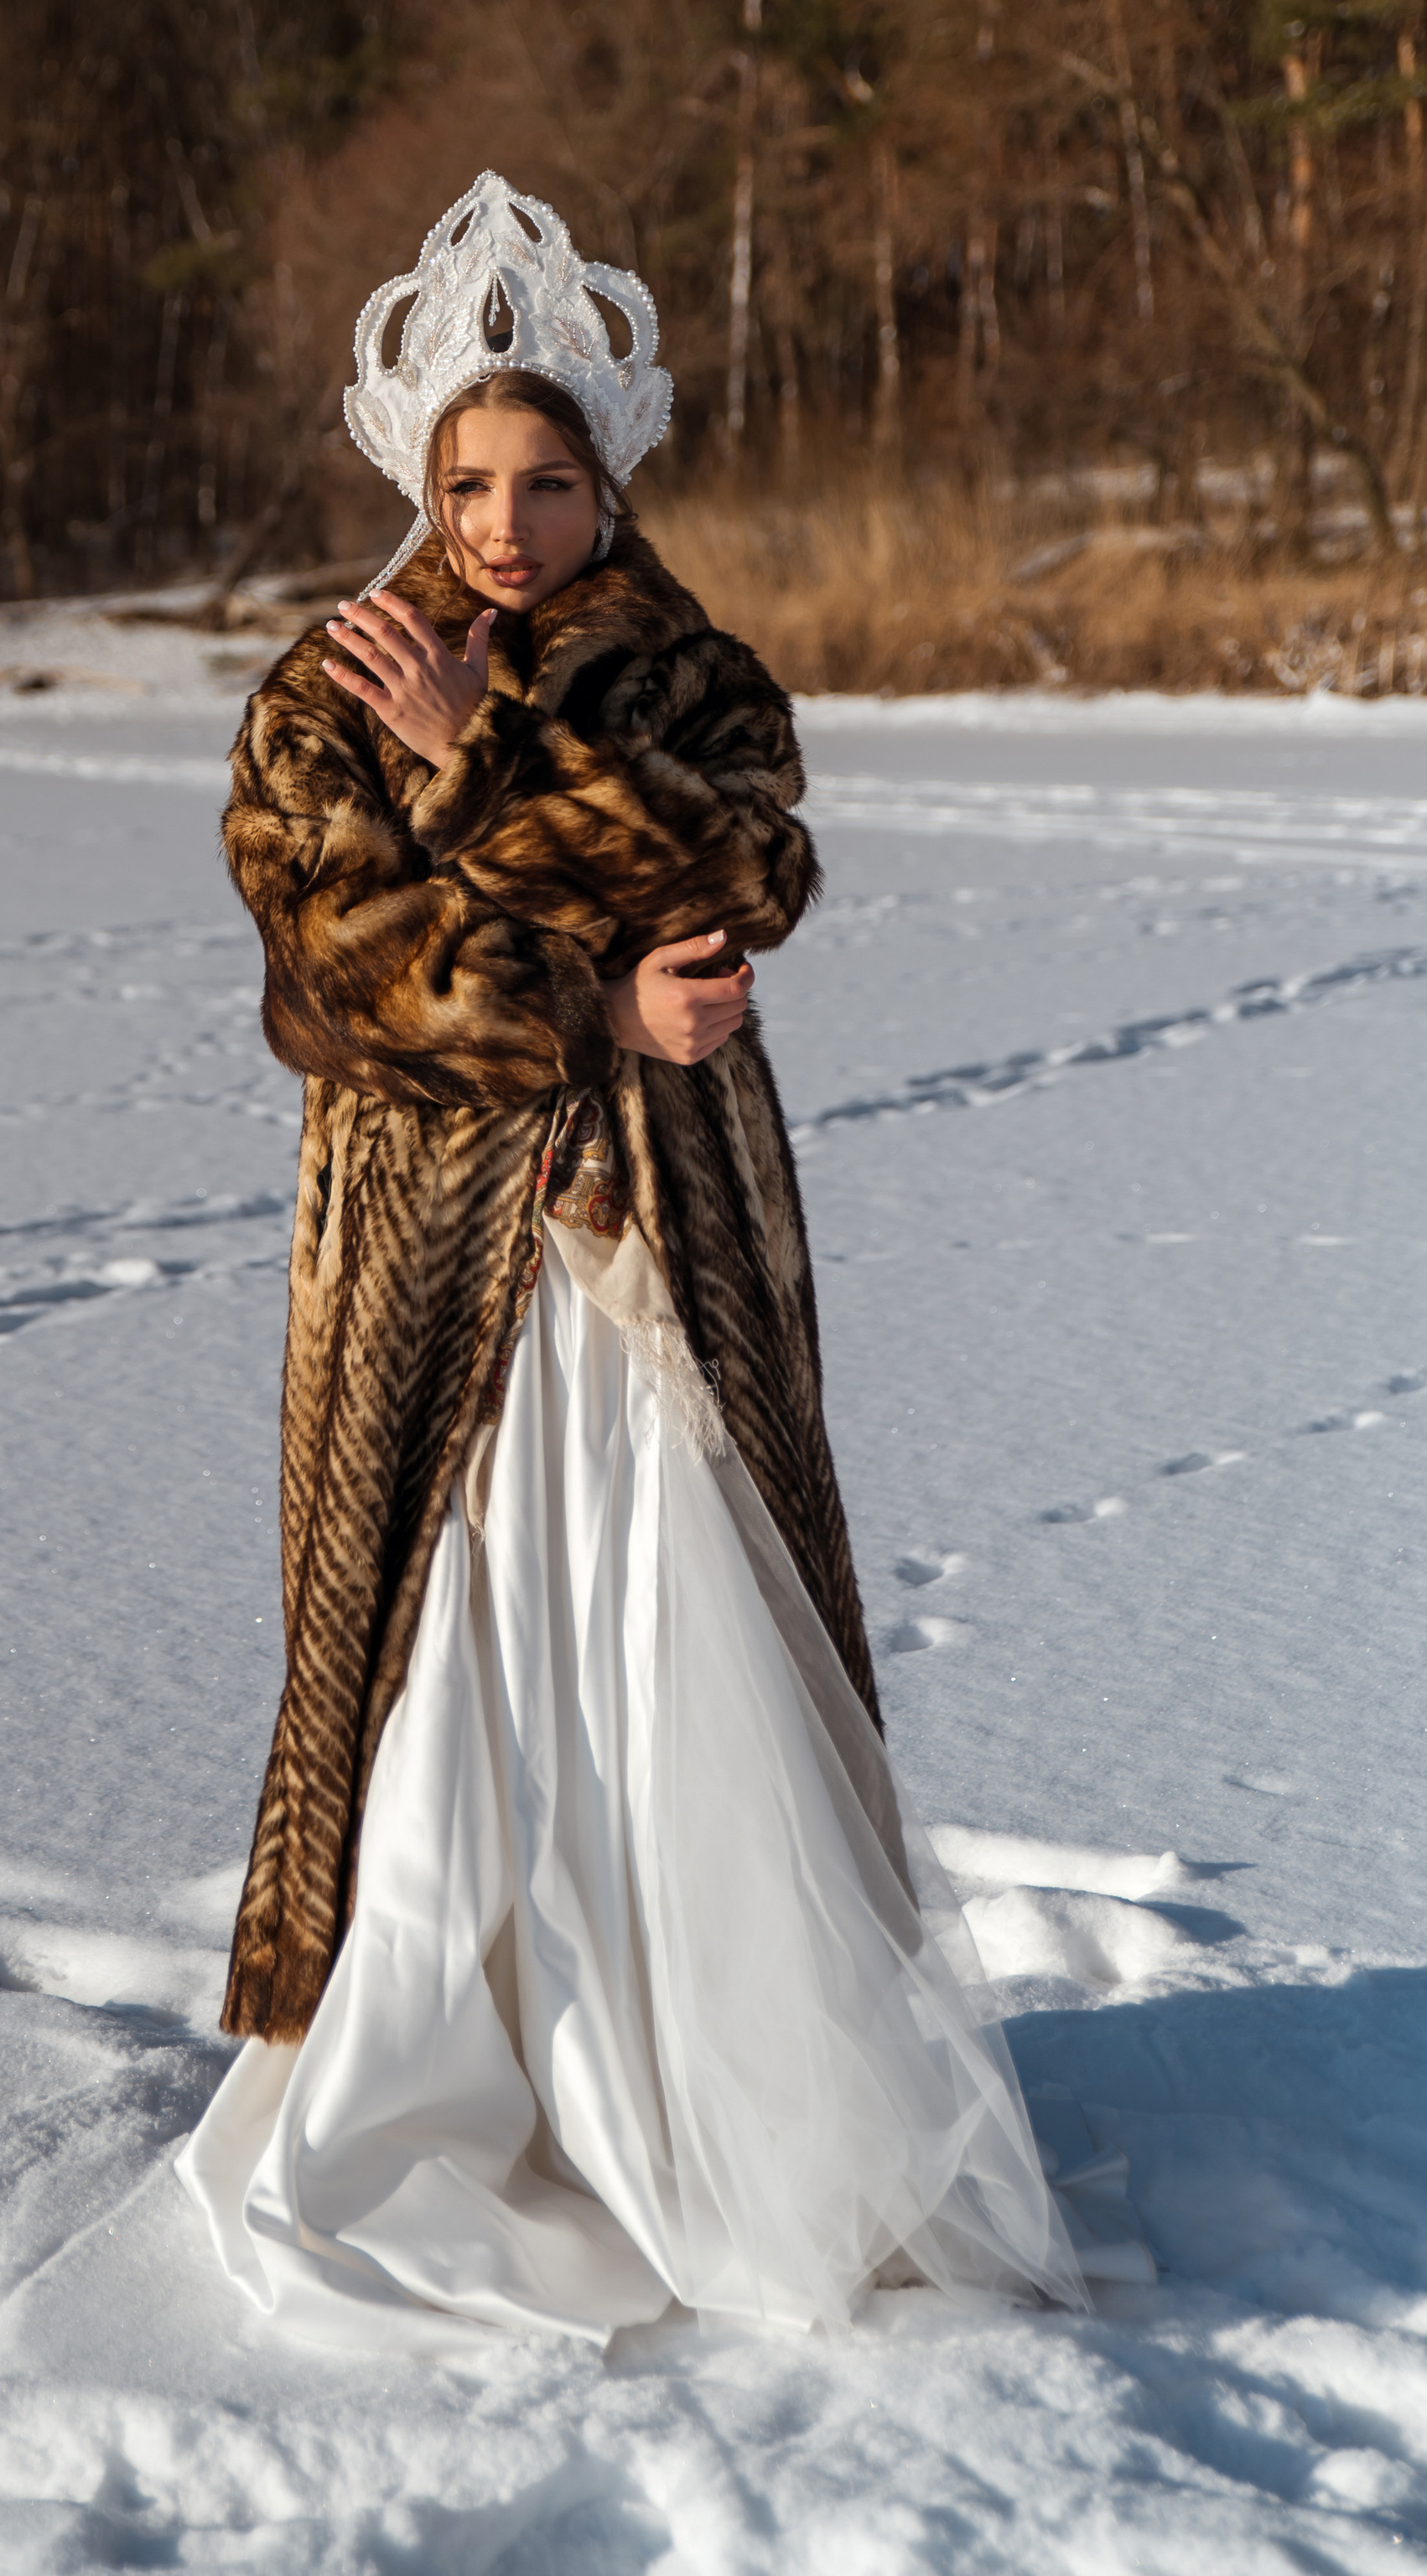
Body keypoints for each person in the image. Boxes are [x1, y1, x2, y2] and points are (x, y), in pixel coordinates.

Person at [179, 174, 1085, 2342]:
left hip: (659, 1246)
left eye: (548, 482)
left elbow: (741, 877)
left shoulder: (699, 674)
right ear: (420, 479)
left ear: (613, 480)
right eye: (468, 482)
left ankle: (731, 2089)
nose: (503, 526)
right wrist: (582, 997)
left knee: (686, 1613)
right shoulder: (329, 682)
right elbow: (327, 971)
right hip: (427, 1247)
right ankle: (444, 2082)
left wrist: (482, 766)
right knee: (445, 1633)